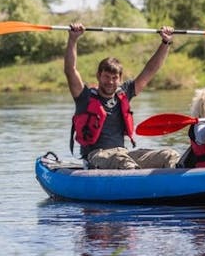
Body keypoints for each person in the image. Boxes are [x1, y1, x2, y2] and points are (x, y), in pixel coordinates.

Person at [65, 22, 180, 169]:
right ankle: (138, 187)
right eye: (106, 77)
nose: (110, 82)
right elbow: (70, 70)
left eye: (114, 78)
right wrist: (73, 39)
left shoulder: (124, 93)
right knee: (124, 162)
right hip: (96, 156)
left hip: (123, 153)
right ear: (98, 76)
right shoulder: (84, 97)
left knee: (169, 155)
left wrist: (165, 42)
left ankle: (177, 187)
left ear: (120, 79)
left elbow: (149, 71)